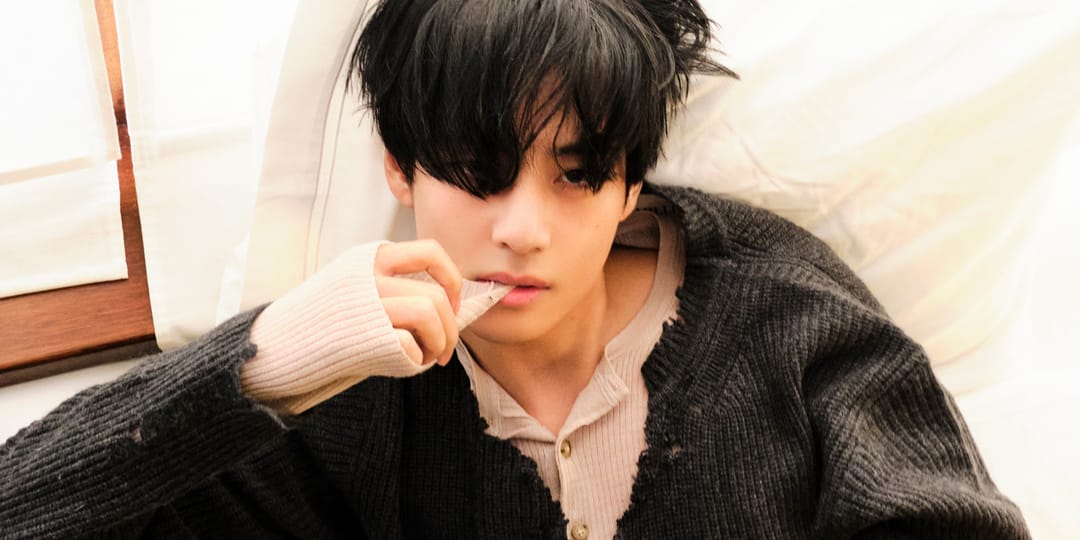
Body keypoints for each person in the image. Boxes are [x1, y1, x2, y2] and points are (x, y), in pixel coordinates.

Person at [1, 0, 1029, 538]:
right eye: (477, 172)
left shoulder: (787, 321)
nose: (524, 230)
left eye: (577, 176)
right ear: (399, 166)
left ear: (630, 181)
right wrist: (258, 365)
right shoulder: (349, 399)